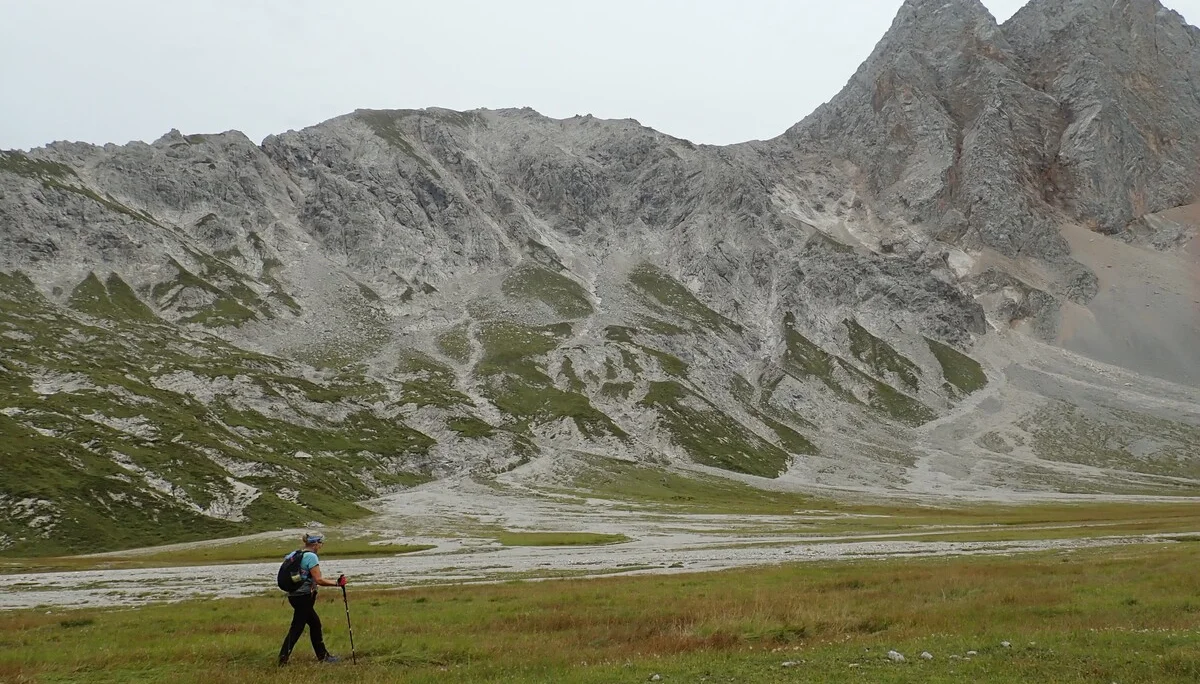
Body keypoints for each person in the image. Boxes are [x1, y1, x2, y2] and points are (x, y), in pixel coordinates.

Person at [278, 532, 348, 666]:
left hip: (294, 595)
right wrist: (337, 583)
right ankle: (283, 658)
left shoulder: (296, 554)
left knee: (315, 624)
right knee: (297, 628)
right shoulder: (311, 557)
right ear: (315, 543)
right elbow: (319, 580)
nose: (321, 546)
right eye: (321, 543)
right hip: (304, 597)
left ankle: (323, 656)